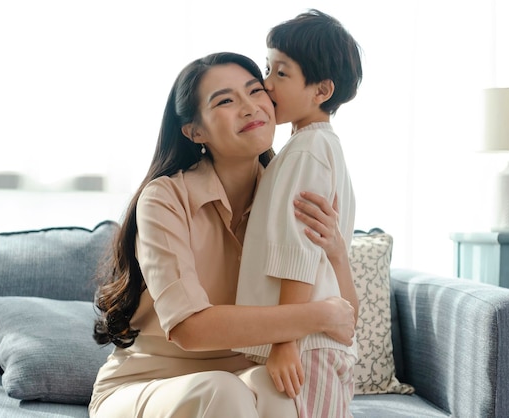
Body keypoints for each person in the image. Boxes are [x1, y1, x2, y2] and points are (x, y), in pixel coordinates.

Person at [88, 51, 357, 418]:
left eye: (255, 91)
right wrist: (315, 316)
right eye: (226, 101)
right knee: (224, 391)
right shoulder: (164, 199)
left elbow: (344, 321)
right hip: (146, 384)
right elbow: (190, 328)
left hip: (244, 378)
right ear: (194, 131)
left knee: (281, 389)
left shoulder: (292, 191)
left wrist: (337, 255)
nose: (249, 108)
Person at [234, 9, 363, 418]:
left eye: (281, 73)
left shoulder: (309, 151)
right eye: (268, 67)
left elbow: (300, 251)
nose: (266, 84)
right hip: (310, 340)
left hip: (306, 346)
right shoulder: (310, 148)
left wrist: (284, 340)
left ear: (321, 90)